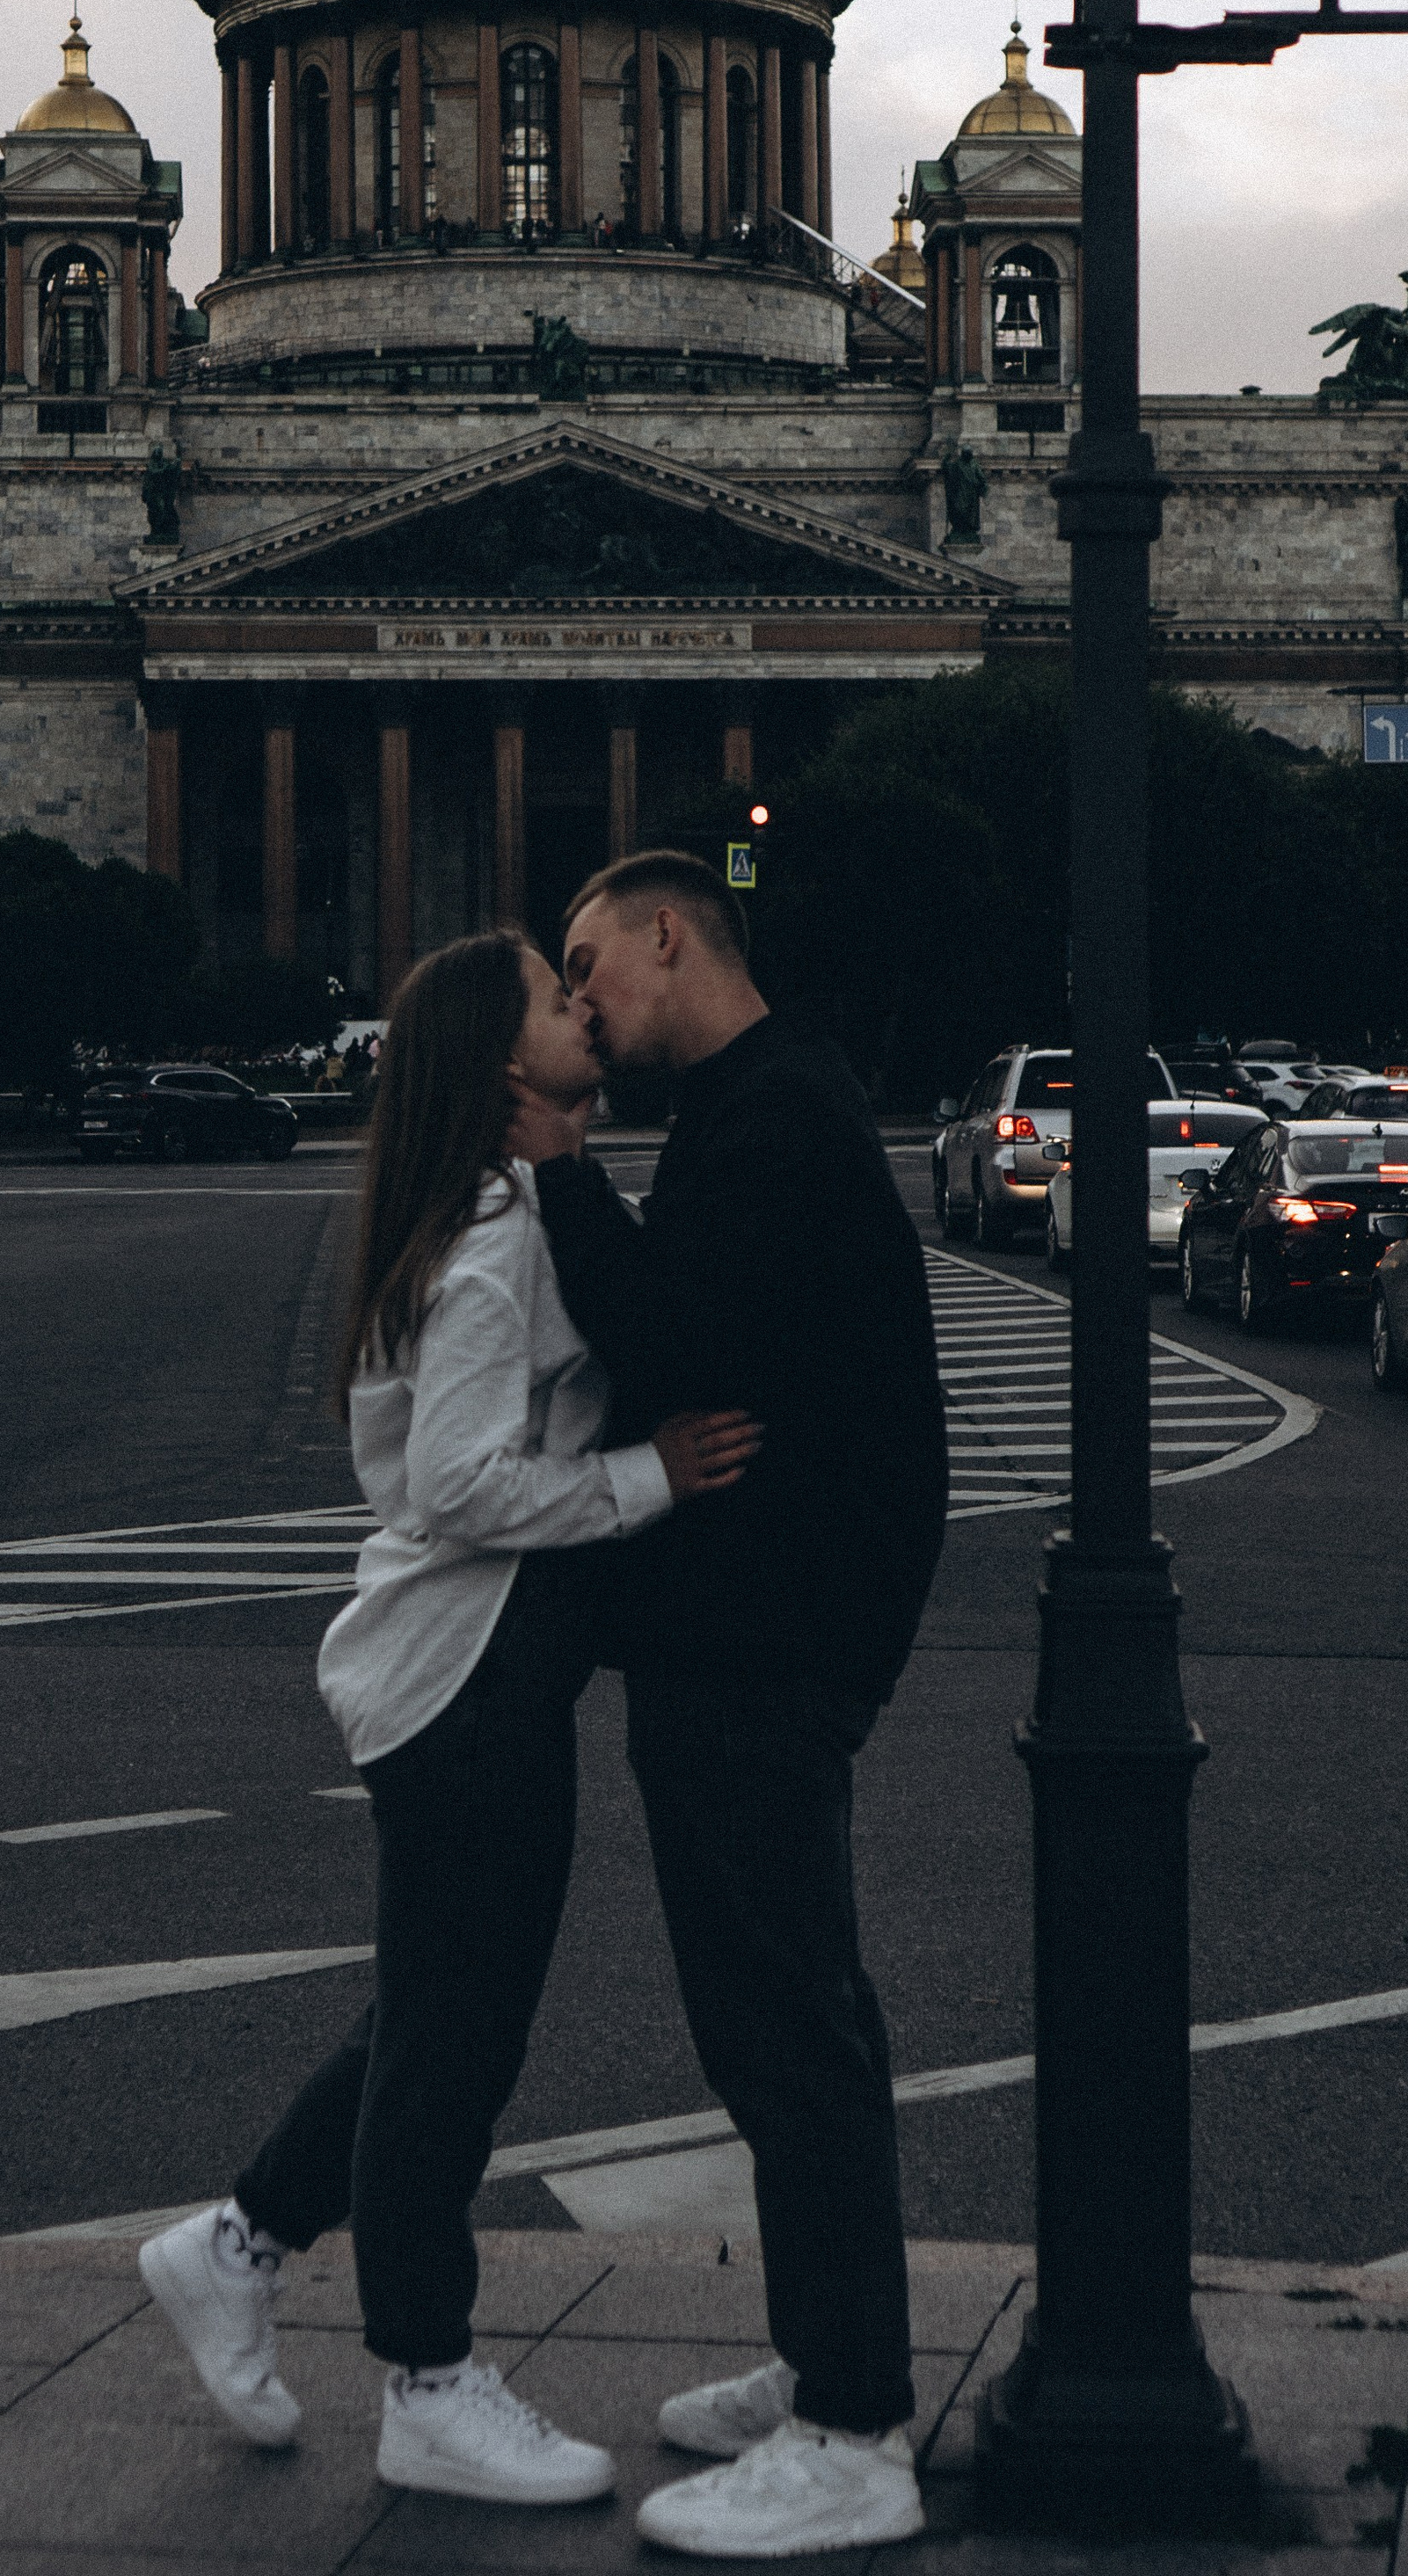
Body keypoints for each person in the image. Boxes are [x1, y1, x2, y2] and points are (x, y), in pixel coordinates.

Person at [138, 928, 757, 2509]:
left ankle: (236, 2247)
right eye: (562, 1003)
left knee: (431, 2011)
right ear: (502, 1066)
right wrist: (650, 1479)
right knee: (455, 2049)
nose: (587, 1014)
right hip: (469, 1672)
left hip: (458, 1670)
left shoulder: (482, 1208)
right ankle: (425, 2380)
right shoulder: (495, 1233)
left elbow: (406, 1455)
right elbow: (454, 1482)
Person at [513, 848, 949, 2561]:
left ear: (667, 937)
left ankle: (852, 2432)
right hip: (760, 1633)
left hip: (764, 1643)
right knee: (773, 2032)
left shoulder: (768, 1123)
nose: (579, 1000)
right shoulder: (761, 1101)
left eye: (586, 961)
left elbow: (668, 1337)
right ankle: (822, 2363)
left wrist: (556, 1172)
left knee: (789, 2033)